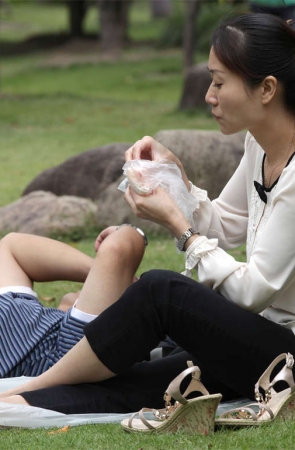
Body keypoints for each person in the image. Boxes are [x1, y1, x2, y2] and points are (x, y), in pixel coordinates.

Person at [1, 12, 295, 433]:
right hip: (258, 340)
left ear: (266, 88)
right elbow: (227, 223)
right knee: (140, 382)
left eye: (218, 82)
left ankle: (32, 384)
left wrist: (179, 224)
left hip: (284, 353)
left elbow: (252, 291)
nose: (209, 95)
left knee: (162, 291)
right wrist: (176, 179)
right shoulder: (260, 145)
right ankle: (26, 398)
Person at [0, 226, 145, 378]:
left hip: (51, 341)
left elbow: (11, 247)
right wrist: (129, 232)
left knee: (7, 247)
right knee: (120, 246)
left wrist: (102, 274)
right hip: (68, 355)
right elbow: (119, 249)